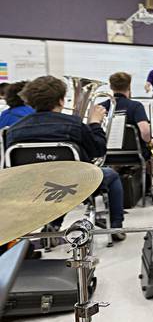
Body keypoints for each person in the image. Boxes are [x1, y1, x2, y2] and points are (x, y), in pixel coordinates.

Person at [6, 76, 126, 239]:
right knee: (111, 175)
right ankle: (116, 228)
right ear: (62, 100)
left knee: (56, 180)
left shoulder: (14, 130)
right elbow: (98, 151)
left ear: (30, 102)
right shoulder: (74, 124)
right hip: (76, 185)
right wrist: (95, 124)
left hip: (32, 188)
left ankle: (54, 226)